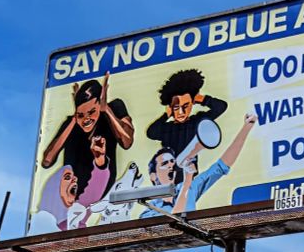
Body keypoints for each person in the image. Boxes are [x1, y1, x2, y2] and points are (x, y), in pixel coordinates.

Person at [40, 72, 134, 202]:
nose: (86, 119)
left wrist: (106, 109)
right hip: (72, 198)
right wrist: (74, 119)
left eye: (92, 112)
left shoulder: (114, 108)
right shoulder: (71, 124)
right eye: (81, 115)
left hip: (103, 194)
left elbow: (127, 141)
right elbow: (47, 161)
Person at [145, 113, 256, 214]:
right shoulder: (149, 209)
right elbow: (175, 220)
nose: (170, 165)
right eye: (164, 163)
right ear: (153, 176)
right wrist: (187, 182)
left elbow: (221, 166)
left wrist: (246, 128)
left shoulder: (189, 188)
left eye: (172, 161)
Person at [146, 69, 227, 181]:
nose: (181, 112)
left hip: (189, 176)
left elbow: (220, 107)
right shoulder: (166, 128)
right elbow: (151, 133)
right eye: (176, 107)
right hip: (168, 178)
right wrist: (166, 115)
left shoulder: (197, 121)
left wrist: (201, 99)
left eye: (185, 106)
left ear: (192, 104)